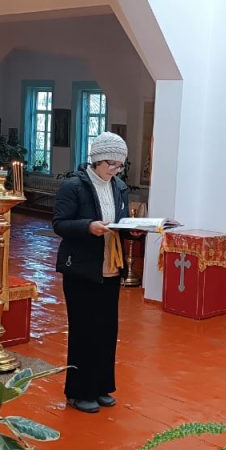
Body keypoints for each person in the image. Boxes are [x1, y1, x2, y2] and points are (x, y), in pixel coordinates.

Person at [52, 132, 140, 413]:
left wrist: (134, 230)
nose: (115, 170)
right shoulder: (74, 187)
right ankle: (79, 392)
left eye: (119, 165)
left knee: (106, 330)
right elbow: (60, 224)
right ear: (97, 160)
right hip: (81, 268)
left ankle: (101, 387)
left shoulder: (119, 187)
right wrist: (88, 226)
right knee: (84, 331)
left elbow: (120, 223)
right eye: (110, 164)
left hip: (110, 267)